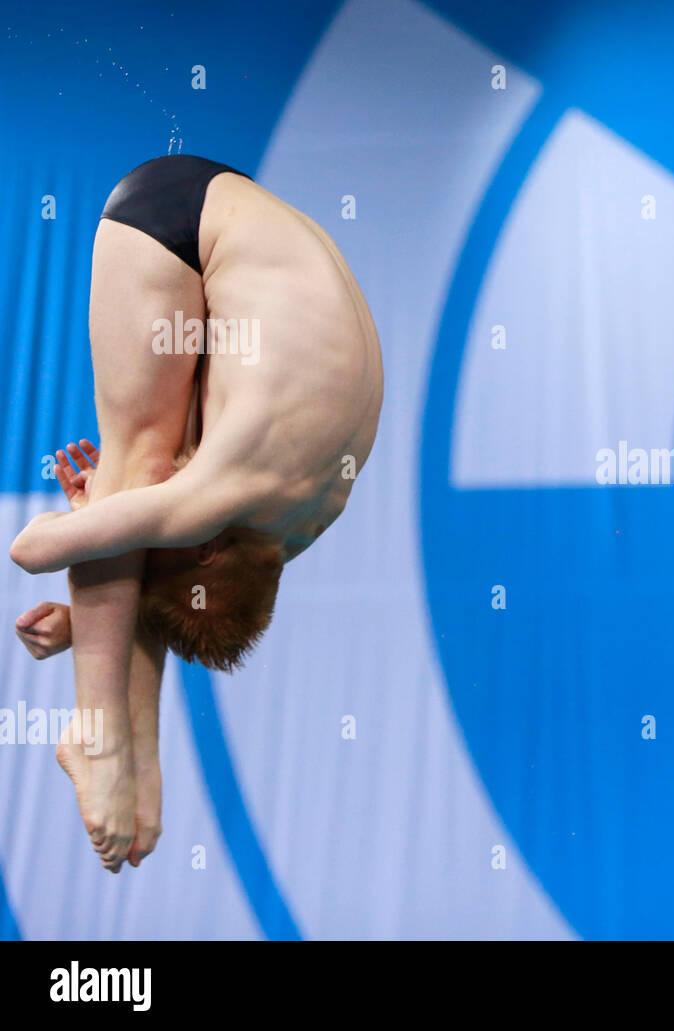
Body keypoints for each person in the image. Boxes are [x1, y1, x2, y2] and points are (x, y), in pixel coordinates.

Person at [8, 155, 384, 873]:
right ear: (210, 551)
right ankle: (104, 733)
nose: (164, 541)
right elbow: (32, 547)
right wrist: (100, 526)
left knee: (149, 494)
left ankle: (138, 750)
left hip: (243, 224)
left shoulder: (304, 521)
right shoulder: (220, 495)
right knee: (138, 468)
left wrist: (91, 607)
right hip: (166, 226)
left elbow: (160, 552)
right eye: (172, 553)